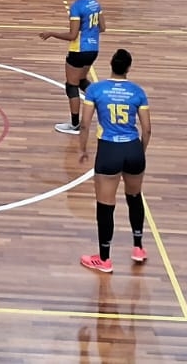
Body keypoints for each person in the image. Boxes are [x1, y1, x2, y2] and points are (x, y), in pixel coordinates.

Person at [76, 48, 151, 273]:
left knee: (105, 207)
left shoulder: (96, 90)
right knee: (135, 197)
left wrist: (82, 149)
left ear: (111, 65)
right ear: (128, 67)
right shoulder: (138, 92)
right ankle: (138, 247)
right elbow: (146, 129)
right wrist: (141, 151)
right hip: (133, 149)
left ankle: (105, 259)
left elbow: (85, 124)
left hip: (109, 150)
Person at [39, 0, 104, 135]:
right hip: (93, 49)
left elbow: (72, 35)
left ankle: (75, 125)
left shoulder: (77, 6)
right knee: (82, 80)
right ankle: (103, 102)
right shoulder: (94, 2)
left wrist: (51, 33)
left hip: (78, 50)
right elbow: (102, 27)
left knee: (71, 85)